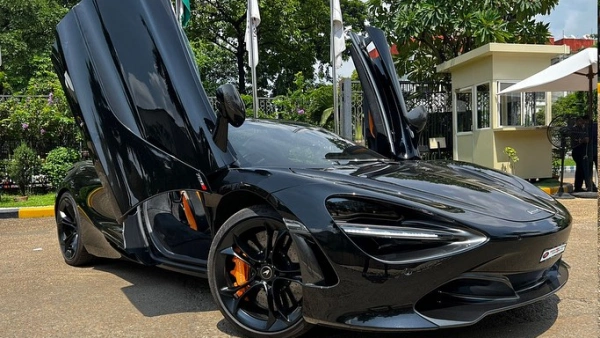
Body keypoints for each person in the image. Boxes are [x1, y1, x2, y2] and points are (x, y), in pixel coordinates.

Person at [570, 116, 590, 192]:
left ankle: (581, 185)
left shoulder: (584, 129)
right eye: (580, 121)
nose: (581, 123)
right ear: (577, 121)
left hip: (583, 151)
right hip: (577, 151)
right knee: (580, 168)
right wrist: (583, 140)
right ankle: (578, 187)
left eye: (582, 121)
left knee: (581, 169)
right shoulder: (574, 129)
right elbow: (575, 141)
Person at [581, 115, 597, 192]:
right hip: (596, 150)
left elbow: (586, 139)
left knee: (587, 170)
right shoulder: (596, 125)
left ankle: (591, 186)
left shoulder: (586, 128)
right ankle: (591, 186)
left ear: (585, 120)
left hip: (589, 151)